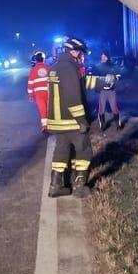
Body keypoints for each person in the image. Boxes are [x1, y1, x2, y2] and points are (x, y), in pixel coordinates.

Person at [45, 37, 93, 198]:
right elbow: (73, 96)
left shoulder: (56, 67)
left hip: (58, 122)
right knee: (84, 150)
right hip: (72, 121)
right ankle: (79, 186)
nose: (83, 57)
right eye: (81, 53)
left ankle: (56, 186)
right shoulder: (69, 69)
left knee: (61, 151)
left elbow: (81, 82)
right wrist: (81, 120)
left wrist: (103, 82)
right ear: (74, 52)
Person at [93, 52, 122, 131]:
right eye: (102, 57)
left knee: (114, 108)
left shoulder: (112, 66)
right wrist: (98, 83)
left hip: (111, 90)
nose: (103, 58)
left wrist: (114, 77)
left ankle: (118, 125)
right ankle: (102, 126)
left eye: (105, 57)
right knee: (101, 109)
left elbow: (119, 75)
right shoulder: (97, 67)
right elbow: (93, 78)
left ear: (107, 57)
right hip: (102, 91)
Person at [27, 50, 50, 131]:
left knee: (42, 109)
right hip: (49, 92)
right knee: (49, 108)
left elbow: (30, 83)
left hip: (38, 94)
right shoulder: (48, 67)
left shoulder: (33, 70)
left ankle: (45, 126)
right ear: (44, 59)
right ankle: (52, 124)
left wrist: (30, 95)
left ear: (36, 60)